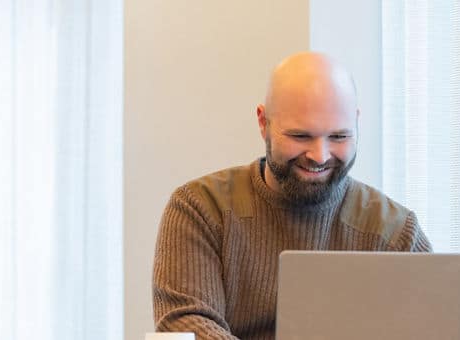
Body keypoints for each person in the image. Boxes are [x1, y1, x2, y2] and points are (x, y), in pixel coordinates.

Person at [151, 52, 432, 339]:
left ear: (356, 122)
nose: (319, 156)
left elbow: (438, 325)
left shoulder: (396, 231)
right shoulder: (201, 208)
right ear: (264, 124)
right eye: (300, 136)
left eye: (338, 137)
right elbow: (185, 322)